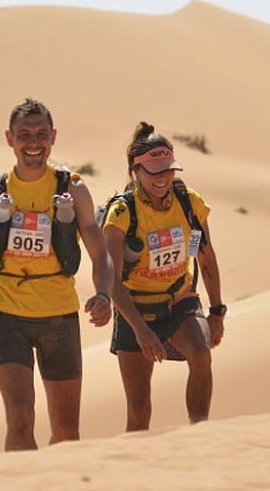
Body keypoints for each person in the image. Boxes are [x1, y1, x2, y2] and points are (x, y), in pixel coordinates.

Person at [0, 98, 113, 451]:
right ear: (9, 138)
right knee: (19, 417)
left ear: (53, 137)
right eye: (24, 135)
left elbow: (99, 250)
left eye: (41, 134)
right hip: (7, 317)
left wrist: (104, 293)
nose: (33, 143)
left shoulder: (73, 190)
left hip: (59, 317)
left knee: (66, 432)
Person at [101, 122, 225, 431]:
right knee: (139, 408)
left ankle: (200, 432)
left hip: (179, 301)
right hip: (134, 309)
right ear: (136, 170)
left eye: (168, 170)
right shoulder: (122, 213)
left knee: (201, 353)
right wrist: (141, 330)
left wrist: (217, 312)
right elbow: (111, 279)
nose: (163, 178)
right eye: (154, 171)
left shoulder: (189, 203)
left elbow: (206, 258)